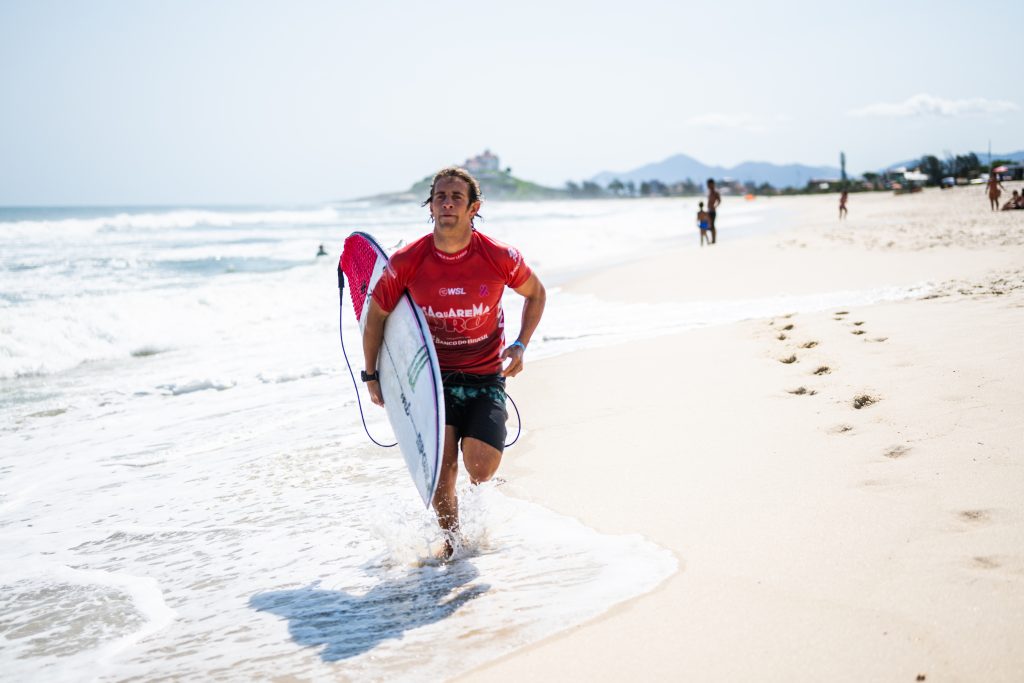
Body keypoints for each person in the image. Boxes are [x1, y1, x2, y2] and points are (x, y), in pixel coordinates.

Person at [362, 167, 546, 559]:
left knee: (480, 468)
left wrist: (520, 344)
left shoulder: (498, 256)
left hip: (485, 374)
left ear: (473, 207)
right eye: (439, 197)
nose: (446, 203)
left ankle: (479, 502)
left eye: (455, 197)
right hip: (432, 378)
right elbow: (375, 315)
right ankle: (452, 541)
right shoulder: (407, 260)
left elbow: (536, 293)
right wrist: (372, 374)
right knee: (443, 465)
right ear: (429, 207)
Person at [706, 178, 721, 244]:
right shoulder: (709, 192)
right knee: (709, 225)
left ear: (712, 184)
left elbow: (719, 200)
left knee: (712, 225)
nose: (708, 186)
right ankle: (712, 239)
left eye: (709, 184)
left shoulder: (715, 192)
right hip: (709, 210)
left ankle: (714, 240)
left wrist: (715, 206)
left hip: (713, 211)